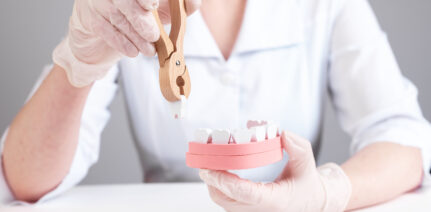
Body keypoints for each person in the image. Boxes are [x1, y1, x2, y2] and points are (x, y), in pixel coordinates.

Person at [1, 0, 430, 211]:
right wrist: (78, 63)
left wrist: (324, 194)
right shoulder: (127, 6)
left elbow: (402, 136)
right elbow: (24, 179)